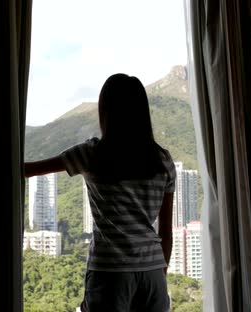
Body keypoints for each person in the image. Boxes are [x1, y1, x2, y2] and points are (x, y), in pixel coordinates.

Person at [24, 73, 175, 312]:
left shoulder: (92, 154)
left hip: (111, 271)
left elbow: (28, 170)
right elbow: (165, 231)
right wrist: (159, 270)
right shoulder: (163, 160)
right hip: (153, 273)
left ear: (105, 112)